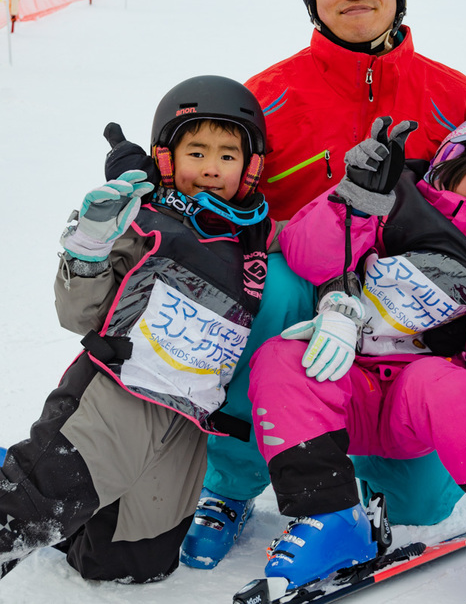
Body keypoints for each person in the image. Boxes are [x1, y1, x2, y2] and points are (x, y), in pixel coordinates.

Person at [103, 0, 466, 571]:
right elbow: (206, 207)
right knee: (265, 283)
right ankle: (231, 481)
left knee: (420, 507)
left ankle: (365, 469)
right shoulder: (269, 97)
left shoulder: (454, 98)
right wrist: (154, 184)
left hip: (403, 319)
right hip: (297, 301)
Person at [250, 110, 466, 602]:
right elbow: (309, 255)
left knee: (448, 383)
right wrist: (356, 200)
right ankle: (331, 518)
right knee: (283, 359)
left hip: (418, 406)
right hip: (345, 384)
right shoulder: (392, 193)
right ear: (454, 156)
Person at [0, 76, 288, 584]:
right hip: (117, 396)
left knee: (132, 566)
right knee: (27, 513)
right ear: (167, 160)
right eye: (196, 151)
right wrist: (90, 245)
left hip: (186, 423)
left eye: (227, 155)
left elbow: (327, 244)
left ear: (251, 167)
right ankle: (26, 479)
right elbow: (78, 315)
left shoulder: (258, 239)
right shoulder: (145, 220)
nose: (211, 168)